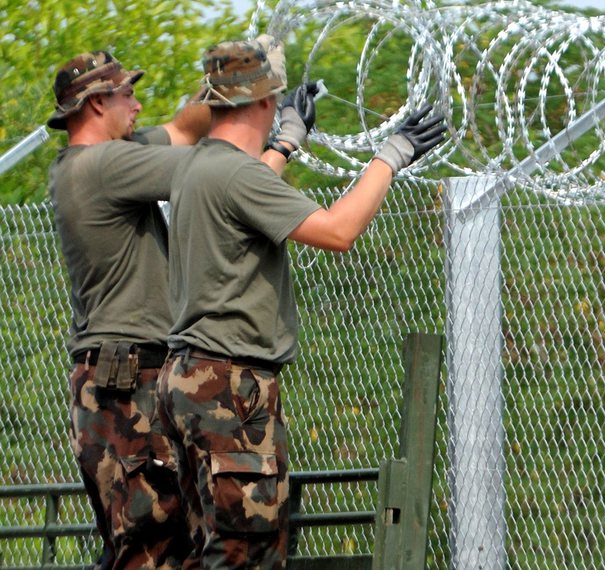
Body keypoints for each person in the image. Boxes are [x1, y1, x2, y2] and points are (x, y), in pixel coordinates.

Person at [155, 38, 445, 568]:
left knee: (207, 550)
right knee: (245, 554)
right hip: (231, 391)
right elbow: (338, 231)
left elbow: (248, 190)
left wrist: (287, 143)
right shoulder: (236, 176)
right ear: (265, 103)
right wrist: (390, 157)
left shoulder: (195, 169)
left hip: (188, 382)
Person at [47, 45, 315, 569]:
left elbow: (185, 128)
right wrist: (278, 137)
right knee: (152, 549)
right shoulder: (108, 165)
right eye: (128, 93)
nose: (138, 105)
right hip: (131, 380)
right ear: (97, 104)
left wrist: (233, 79)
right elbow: (221, 172)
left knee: (156, 544)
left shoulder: (92, 160)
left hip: (123, 378)